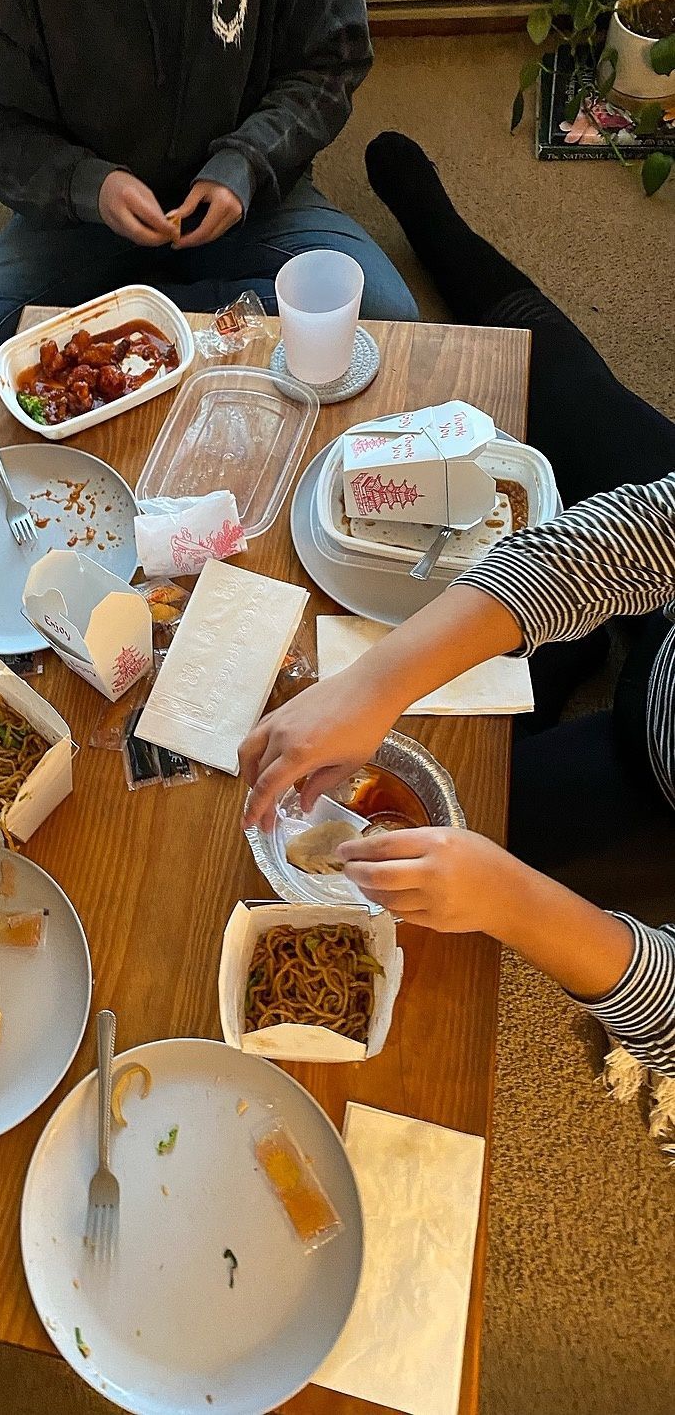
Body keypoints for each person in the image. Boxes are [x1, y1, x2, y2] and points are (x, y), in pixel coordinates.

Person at [239, 131, 675, 1086]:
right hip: (664, 638)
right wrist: (372, 683)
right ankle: (431, 219)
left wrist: (515, 904)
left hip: (654, 784)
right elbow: (622, 541)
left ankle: (561, 677)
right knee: (558, 385)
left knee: (437, 834)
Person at [0, 0, 420, 427]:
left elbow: (331, 61)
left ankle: (140, 315)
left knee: (385, 320)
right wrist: (89, 185)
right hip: (81, 216)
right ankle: (168, 319)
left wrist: (247, 161)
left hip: (250, 193)